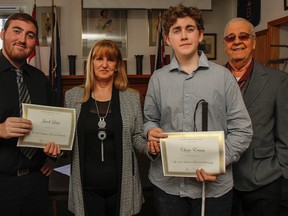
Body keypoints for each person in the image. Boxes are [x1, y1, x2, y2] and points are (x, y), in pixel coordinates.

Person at [143, 4, 253, 216]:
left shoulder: (223, 77)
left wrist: (218, 162)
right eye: (176, 30)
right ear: (168, 39)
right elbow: (149, 120)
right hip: (168, 187)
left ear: (201, 35)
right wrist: (150, 132)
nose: (183, 35)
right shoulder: (158, 79)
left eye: (190, 29)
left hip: (213, 189)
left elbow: (243, 130)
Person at [65, 39, 150, 216]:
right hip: (86, 187)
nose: (104, 64)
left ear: (118, 65)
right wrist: (53, 149)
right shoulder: (72, 97)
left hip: (122, 186)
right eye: (99, 59)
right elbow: (66, 139)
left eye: (110, 60)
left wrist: (151, 148)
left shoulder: (132, 98)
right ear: (91, 63)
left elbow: (136, 137)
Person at [223, 17, 288, 216]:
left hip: (265, 179)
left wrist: (281, 173)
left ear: (253, 42)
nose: (237, 41)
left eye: (243, 36)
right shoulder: (212, 79)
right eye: (231, 38)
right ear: (225, 45)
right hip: (222, 179)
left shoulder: (278, 80)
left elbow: (285, 134)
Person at [0, 13, 62, 216]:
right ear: (2, 33)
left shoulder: (40, 79)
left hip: (36, 181)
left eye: (30, 35)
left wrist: (54, 156)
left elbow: (57, 124)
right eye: (16, 31)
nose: (22, 39)